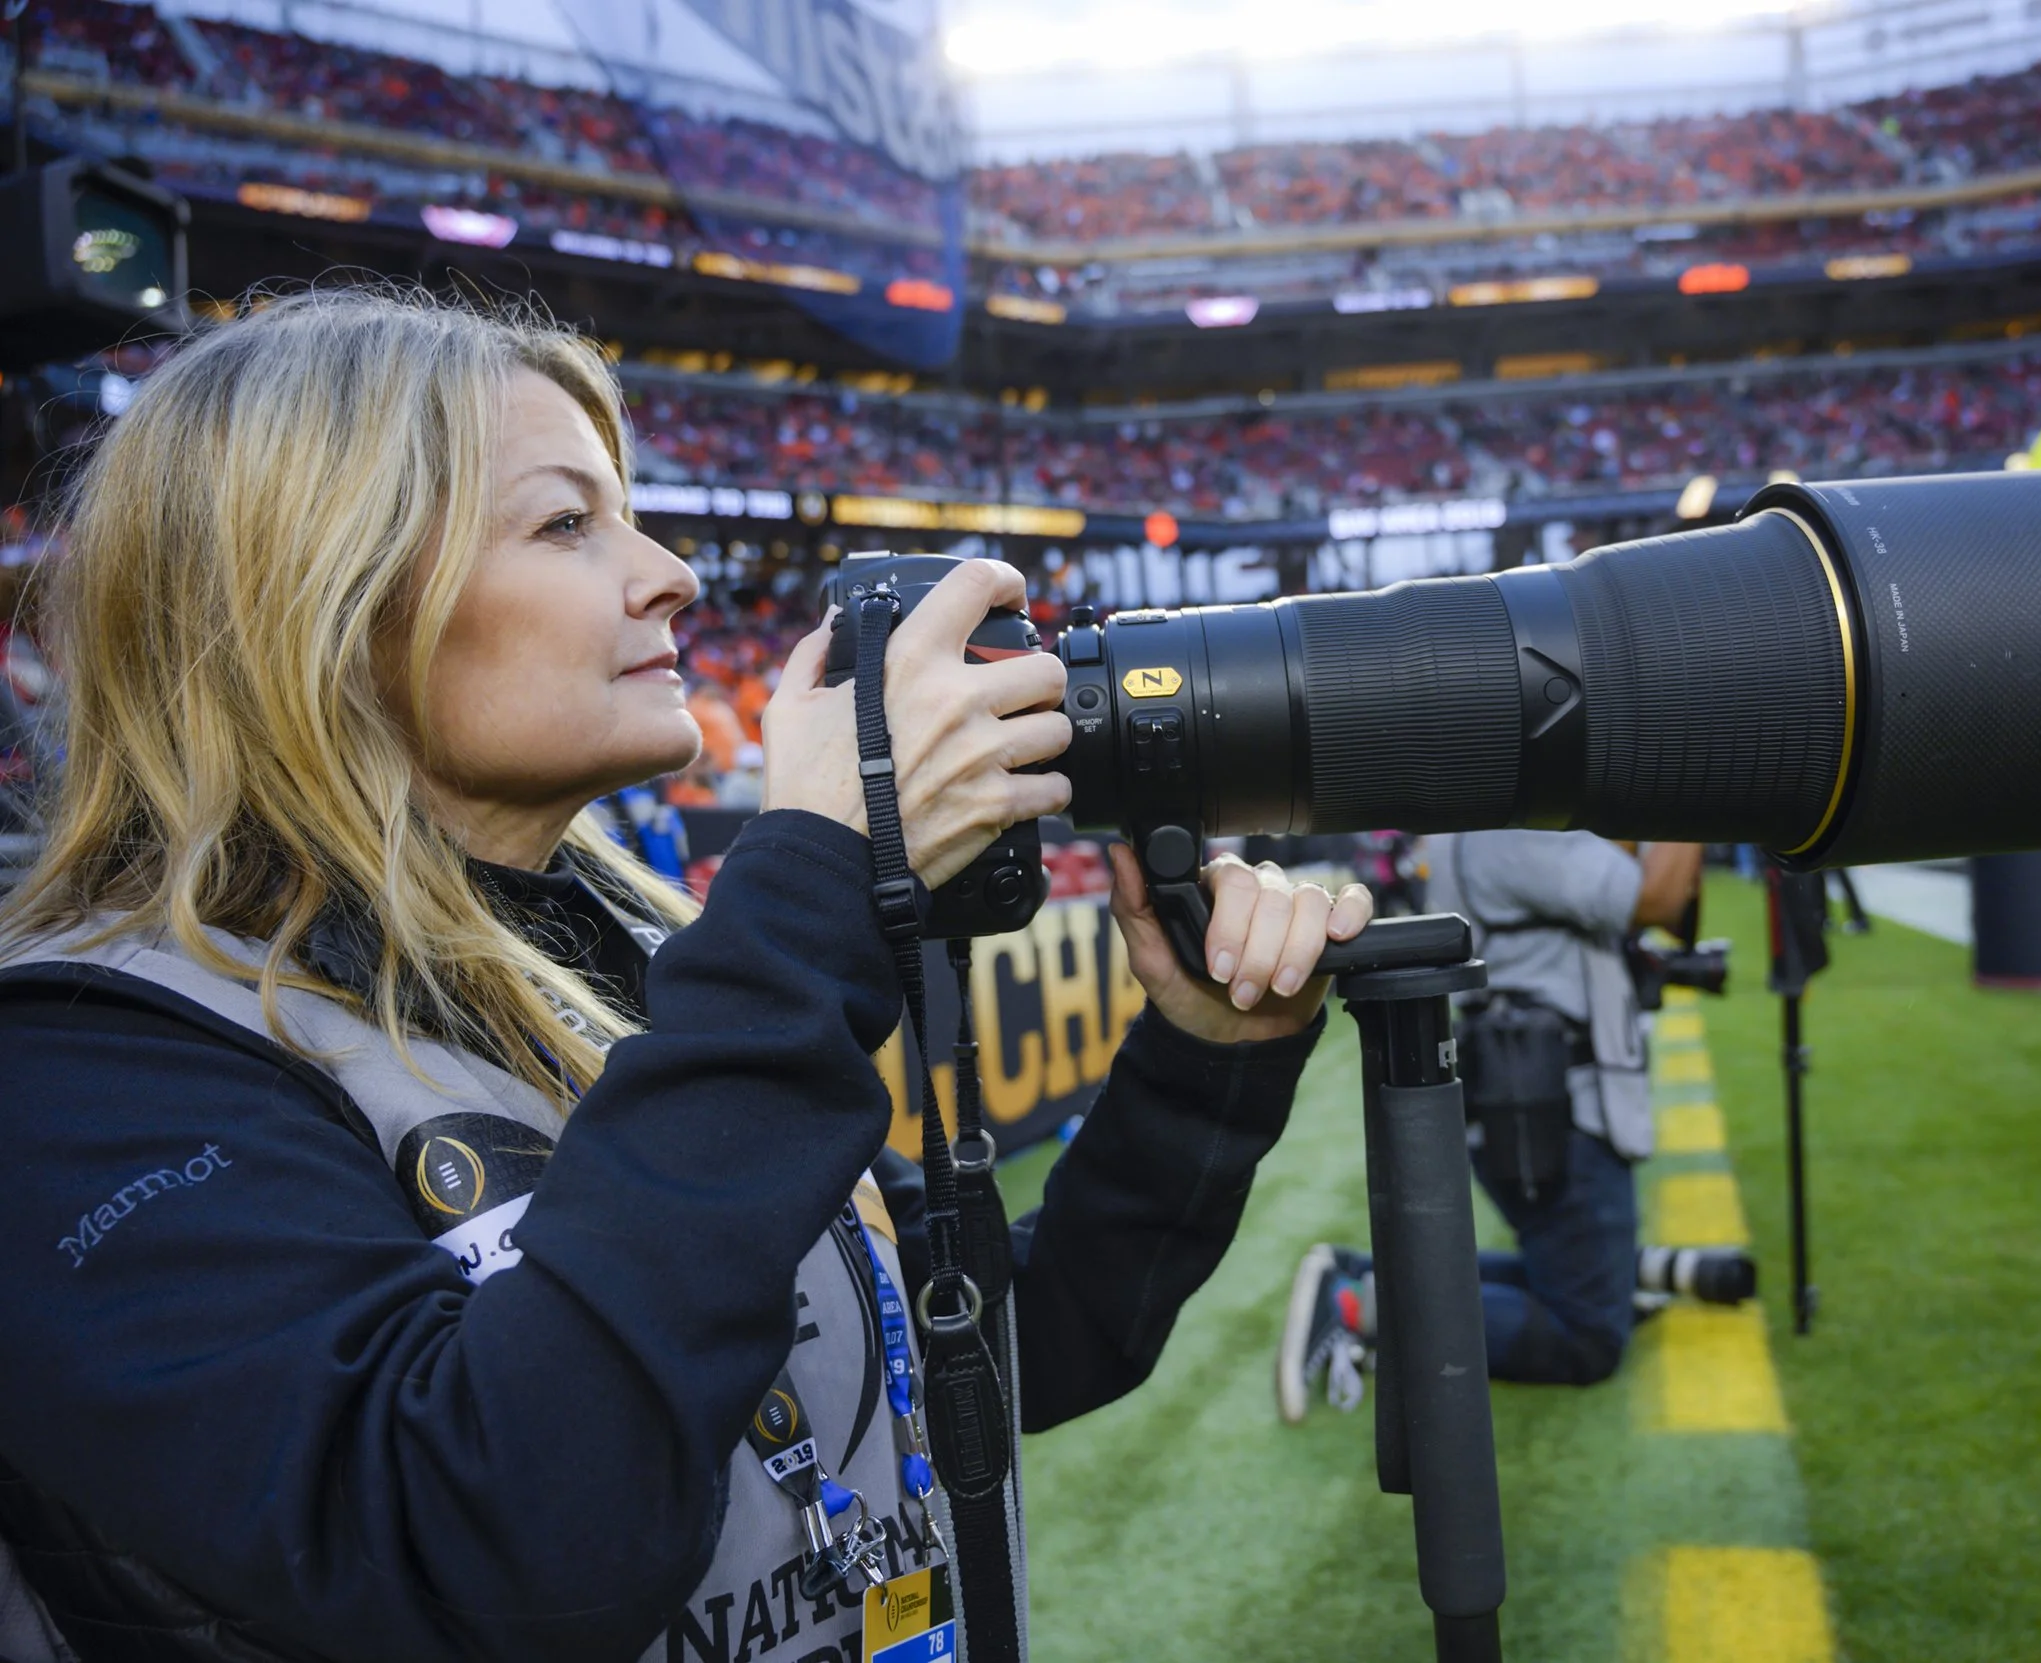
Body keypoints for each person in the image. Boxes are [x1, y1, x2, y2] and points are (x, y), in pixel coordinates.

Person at [0, 288, 1372, 1663]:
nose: (673, 574)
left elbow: (982, 1355)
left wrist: (1201, 1058)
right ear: (318, 599)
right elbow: (497, 1545)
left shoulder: (634, 956)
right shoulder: (86, 1068)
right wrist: (820, 879)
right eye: (566, 523)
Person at [1276, 831, 1706, 1422]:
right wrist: (1696, 792)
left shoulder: (1486, 828)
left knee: (1568, 1274)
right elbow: (1657, 898)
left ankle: (1366, 1275)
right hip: (1560, 1111)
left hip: (1530, 1101)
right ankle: (1362, 1305)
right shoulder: (1517, 831)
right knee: (1588, 1334)